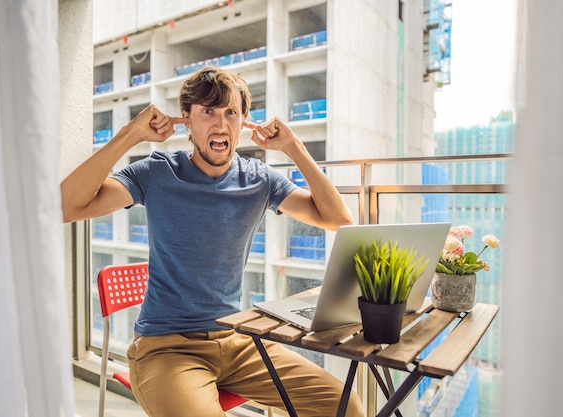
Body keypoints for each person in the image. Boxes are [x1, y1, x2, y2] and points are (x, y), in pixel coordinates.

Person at [61, 66, 364, 417]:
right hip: (166, 348)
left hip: (239, 340)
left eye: (230, 113)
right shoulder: (156, 172)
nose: (220, 125)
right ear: (186, 120)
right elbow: (66, 206)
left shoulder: (259, 179)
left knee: (343, 405)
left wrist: (293, 147)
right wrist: (131, 134)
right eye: (208, 112)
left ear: (243, 122)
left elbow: (337, 219)